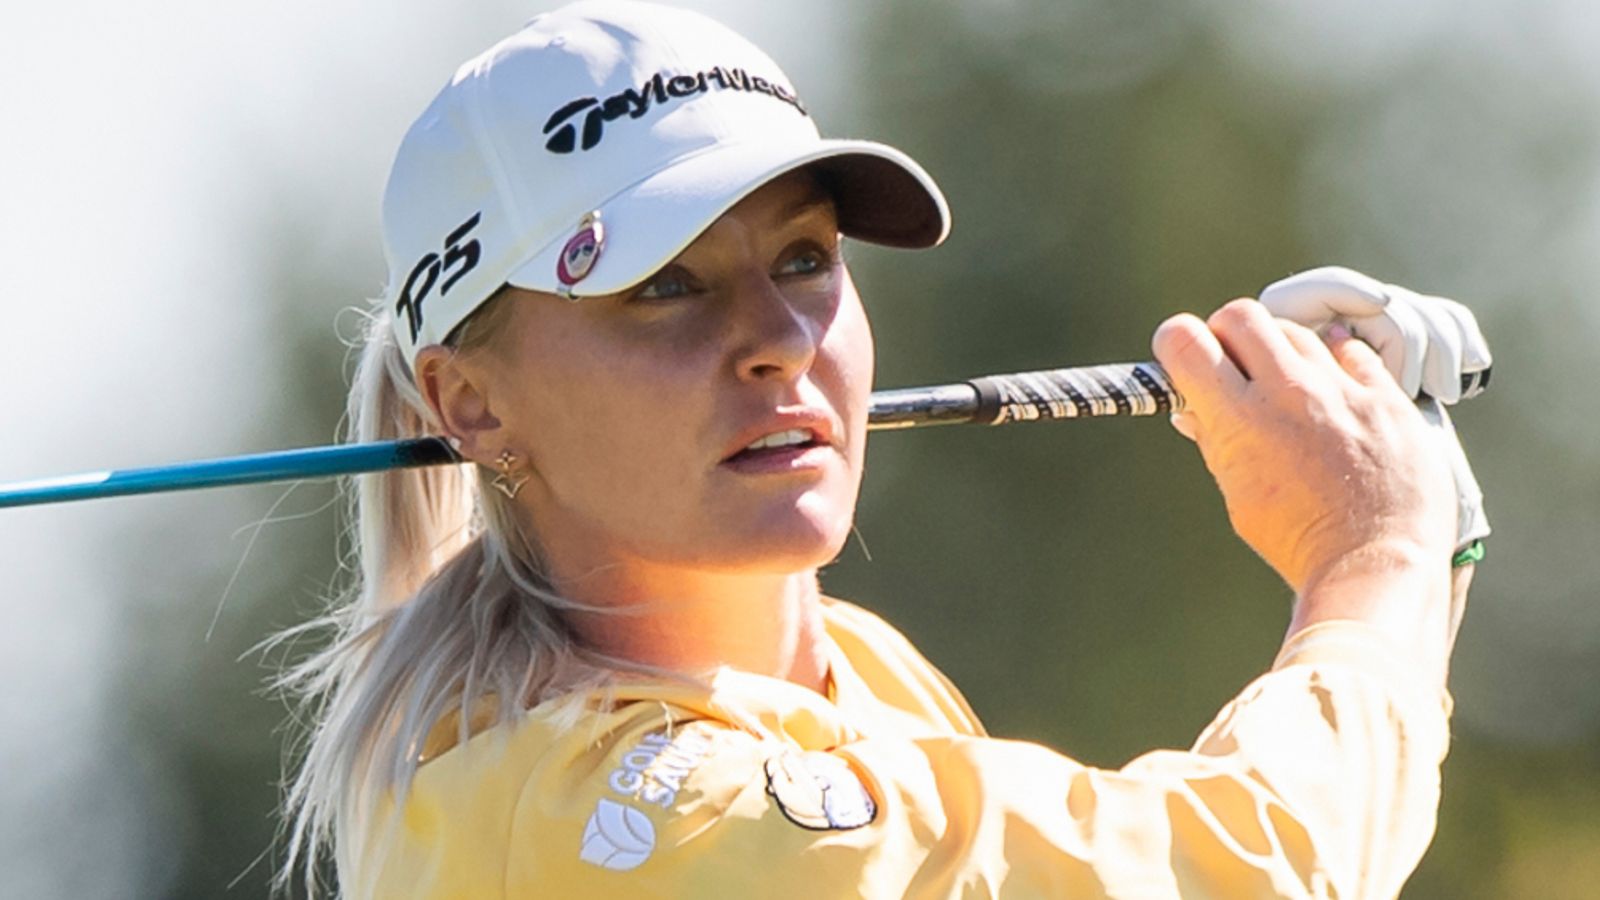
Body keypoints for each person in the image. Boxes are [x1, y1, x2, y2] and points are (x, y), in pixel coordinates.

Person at [276, 2, 1488, 897]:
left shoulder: (859, 674)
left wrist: (1424, 525)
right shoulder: (601, 814)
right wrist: (1372, 553)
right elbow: (1243, 875)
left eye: (803, 259)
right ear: (472, 406)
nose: (775, 341)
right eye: (666, 286)